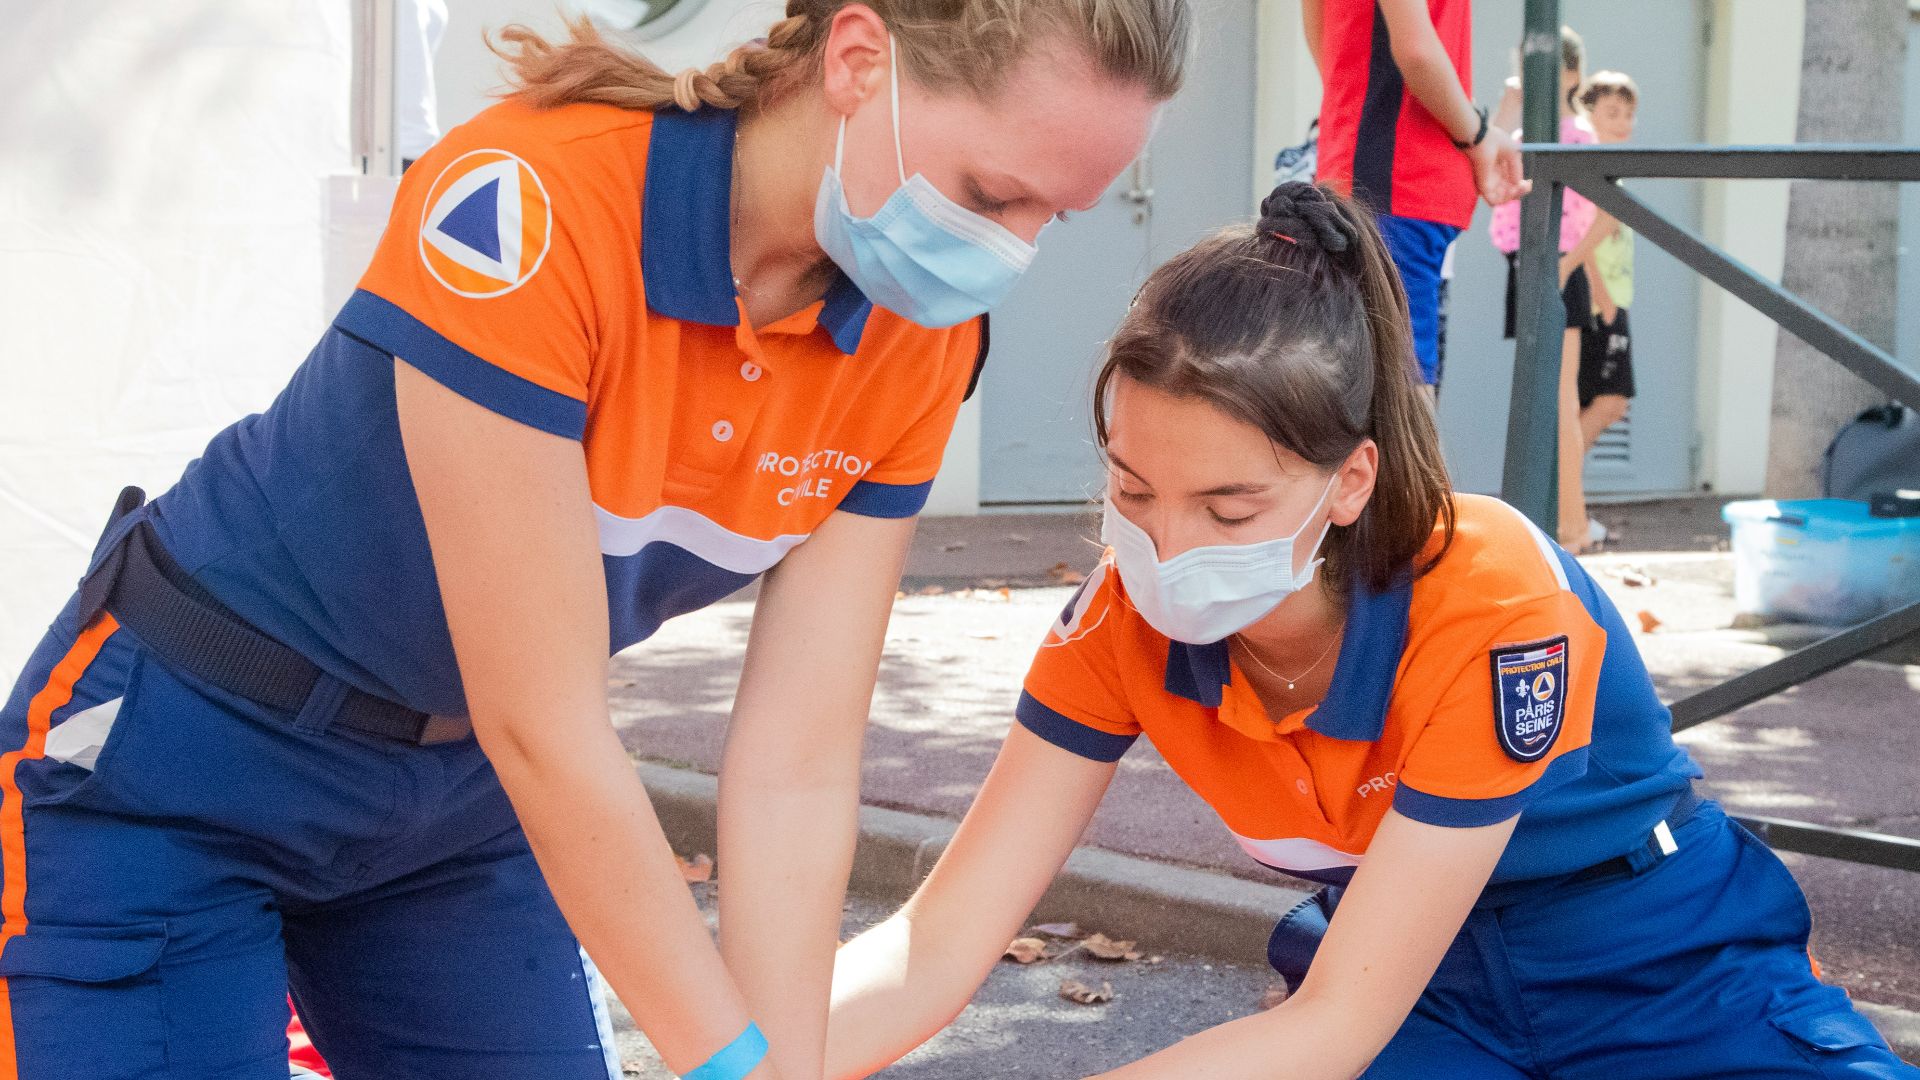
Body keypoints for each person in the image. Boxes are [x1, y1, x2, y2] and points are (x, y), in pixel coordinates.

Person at [0, 3, 1188, 1077]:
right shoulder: (530, 201)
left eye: (1052, 216)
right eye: (991, 194)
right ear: (857, 59)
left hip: (451, 808)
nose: (1009, 254)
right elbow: (547, 724)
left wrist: (778, 1064)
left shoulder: (922, 339)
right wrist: (727, 1065)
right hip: (176, 777)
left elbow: (796, 765)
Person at [824, 183, 1920, 1080]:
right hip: (1417, 993)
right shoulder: (1113, 621)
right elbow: (936, 940)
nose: (1166, 547)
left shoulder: (1488, 598)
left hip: (1663, 967)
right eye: (1132, 490)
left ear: (1351, 480)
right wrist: (756, 1059)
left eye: (1230, 510)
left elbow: (1335, 1027)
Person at [1304, 0, 1530, 399]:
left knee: (1369, 394)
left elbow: (1321, 33)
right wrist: (1478, 136)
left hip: (1369, 177)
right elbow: (1417, 51)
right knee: (1404, 400)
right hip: (1396, 184)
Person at [1490, 25, 1600, 551]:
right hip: (1525, 262)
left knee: (1560, 399)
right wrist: (1507, 107)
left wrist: (1565, 268)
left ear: (1572, 74)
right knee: (1539, 399)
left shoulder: (1577, 134)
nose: (1534, 77)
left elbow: (1594, 215)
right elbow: (1486, 169)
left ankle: (1573, 527)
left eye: (1548, 67)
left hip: (1558, 265)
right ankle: (1556, 525)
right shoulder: (1520, 132)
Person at [1572, 71, 1639, 449]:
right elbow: (1580, 241)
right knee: (1610, 402)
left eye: (1629, 114)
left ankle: (1567, 485)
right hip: (1600, 305)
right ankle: (1558, 477)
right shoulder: (1592, 177)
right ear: (1589, 114)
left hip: (1610, 303)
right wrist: (1604, 300)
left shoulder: (1611, 176)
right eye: (1612, 112)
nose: (1623, 122)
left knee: (1594, 403)